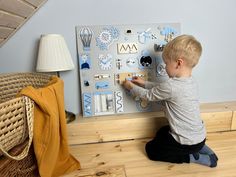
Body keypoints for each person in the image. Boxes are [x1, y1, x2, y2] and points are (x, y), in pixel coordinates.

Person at [122, 34, 218, 167]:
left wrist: (131, 87)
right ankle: (200, 148)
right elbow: (161, 89)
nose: (165, 67)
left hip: (186, 142)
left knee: (151, 150)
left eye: (166, 63)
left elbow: (149, 96)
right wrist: (144, 83)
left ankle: (192, 157)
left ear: (179, 63)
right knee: (162, 132)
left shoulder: (171, 86)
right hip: (199, 137)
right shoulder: (191, 81)